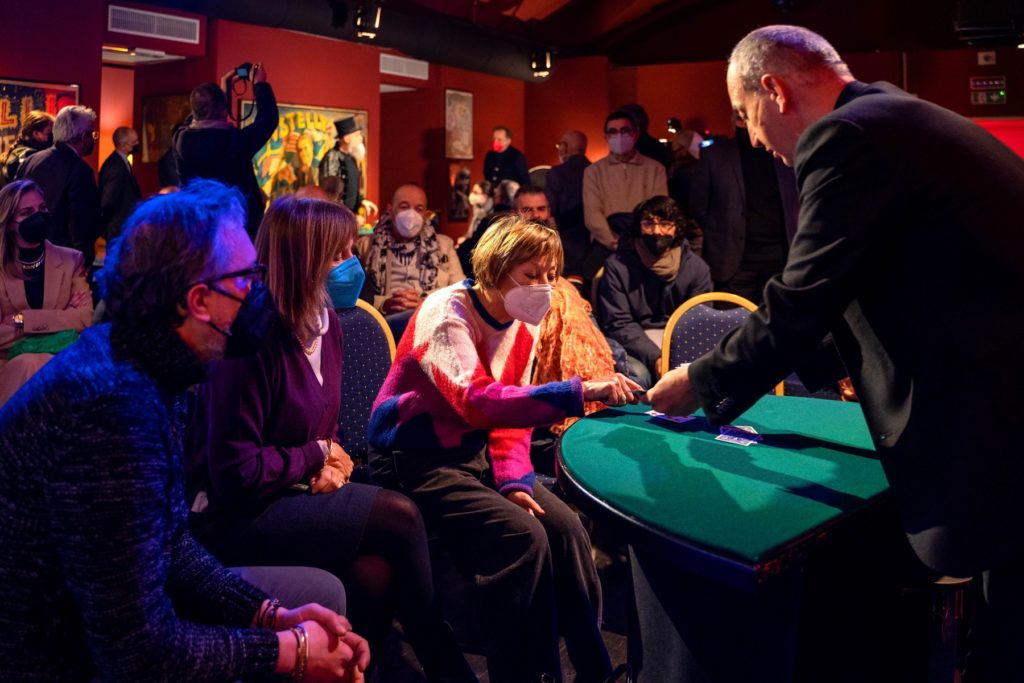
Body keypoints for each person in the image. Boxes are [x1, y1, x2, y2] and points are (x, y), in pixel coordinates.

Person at [646, 24, 1024, 682]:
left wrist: (700, 382)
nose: (757, 141)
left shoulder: (845, 137)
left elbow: (802, 299)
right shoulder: (891, 116)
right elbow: (857, 292)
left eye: (746, 117)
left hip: (998, 420)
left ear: (773, 90)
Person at [0, 179, 368, 681]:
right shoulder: (114, 409)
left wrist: (270, 615)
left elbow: (169, 542)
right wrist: (289, 652)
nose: (259, 294)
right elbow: (140, 654)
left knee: (318, 599)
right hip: (53, 657)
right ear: (198, 300)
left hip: (96, 635)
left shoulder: (150, 363)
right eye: (246, 279)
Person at [187, 195, 476, 683]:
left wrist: (336, 464)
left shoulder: (327, 324)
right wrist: (316, 456)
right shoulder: (251, 341)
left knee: (375, 574)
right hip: (234, 513)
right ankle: (445, 663)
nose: (351, 266)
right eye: (338, 255)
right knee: (400, 514)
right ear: (303, 260)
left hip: (295, 493)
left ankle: (357, 670)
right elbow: (234, 473)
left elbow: (331, 429)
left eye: (350, 251)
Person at [367, 214, 641, 683]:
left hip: (474, 449)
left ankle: (594, 669)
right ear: (495, 268)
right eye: (532, 275)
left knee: (568, 530)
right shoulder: (445, 313)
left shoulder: (522, 322)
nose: (544, 286)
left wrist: (514, 480)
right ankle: (528, 675)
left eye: (551, 274)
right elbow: (478, 401)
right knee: (525, 538)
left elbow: (513, 417)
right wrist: (580, 390)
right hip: (416, 455)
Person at [596, 196, 711, 389]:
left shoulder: (697, 268)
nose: (657, 231)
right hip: (633, 343)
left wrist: (673, 354)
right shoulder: (618, 265)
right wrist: (656, 356)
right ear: (638, 227)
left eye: (665, 224)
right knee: (639, 375)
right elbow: (618, 323)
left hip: (679, 342)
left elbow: (698, 321)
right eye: (648, 224)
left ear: (677, 229)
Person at [0, 179, 92, 405]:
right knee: (30, 364)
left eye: (42, 209)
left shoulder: (71, 260)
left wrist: (23, 320)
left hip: (59, 360)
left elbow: (84, 318)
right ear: (10, 223)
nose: (38, 216)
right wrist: (58, 326)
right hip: (7, 366)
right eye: (27, 212)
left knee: (40, 364)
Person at [691, 115, 798, 304]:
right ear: (739, 120)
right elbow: (699, 206)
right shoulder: (716, 154)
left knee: (778, 330)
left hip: (781, 261)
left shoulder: (783, 150)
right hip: (734, 264)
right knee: (733, 329)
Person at [173, 64, 278, 236]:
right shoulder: (234, 142)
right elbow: (268, 119)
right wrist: (260, 84)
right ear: (223, 110)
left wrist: (223, 94)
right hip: (236, 226)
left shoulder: (180, 139)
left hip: (197, 223)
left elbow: (198, 115)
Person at [355, 183, 463, 341]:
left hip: (432, 322)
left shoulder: (444, 246)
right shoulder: (365, 246)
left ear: (426, 214)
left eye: (418, 209)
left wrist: (424, 303)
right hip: (385, 325)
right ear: (390, 210)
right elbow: (358, 298)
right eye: (404, 207)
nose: (411, 214)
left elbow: (459, 291)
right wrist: (386, 304)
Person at [582, 109, 668, 281]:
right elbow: (593, 215)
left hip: (646, 248)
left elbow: (659, 208)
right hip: (606, 248)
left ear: (635, 133)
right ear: (606, 137)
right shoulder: (594, 171)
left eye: (625, 130)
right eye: (613, 132)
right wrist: (614, 243)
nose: (619, 136)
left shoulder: (655, 169)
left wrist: (640, 243)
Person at [16, 105, 100, 266]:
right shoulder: (80, 170)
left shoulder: (30, 161)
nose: (93, 139)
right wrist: (83, 262)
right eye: (92, 134)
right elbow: (81, 225)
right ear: (84, 137)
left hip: (27, 253)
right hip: (63, 259)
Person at [545, 130, 591, 279]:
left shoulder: (557, 173)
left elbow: (550, 210)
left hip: (565, 240)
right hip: (591, 240)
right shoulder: (595, 170)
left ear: (564, 147)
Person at [98, 126, 142, 241]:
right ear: (123, 145)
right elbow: (107, 202)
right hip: (118, 230)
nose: (138, 144)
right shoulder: (116, 167)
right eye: (134, 142)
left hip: (124, 228)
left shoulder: (122, 163)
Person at [319, 116, 366, 213]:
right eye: (357, 135)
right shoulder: (332, 157)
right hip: (338, 216)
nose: (360, 138)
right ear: (347, 139)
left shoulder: (351, 158)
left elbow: (351, 187)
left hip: (350, 215)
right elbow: (330, 192)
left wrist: (361, 201)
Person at [2, 110, 53, 185]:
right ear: (36, 133)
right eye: (49, 132)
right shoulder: (30, 155)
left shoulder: (22, 149)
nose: (52, 136)